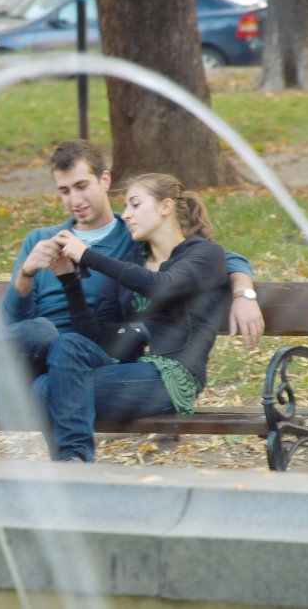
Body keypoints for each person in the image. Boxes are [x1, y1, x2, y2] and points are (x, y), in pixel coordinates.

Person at [0, 139, 264, 456]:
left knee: (53, 339)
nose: (74, 199)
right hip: (28, 359)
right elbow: (12, 324)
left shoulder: (131, 244)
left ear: (104, 181)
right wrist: (28, 275)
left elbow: (210, 257)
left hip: (75, 364)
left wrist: (244, 290)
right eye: (64, 191)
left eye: (81, 186)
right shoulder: (41, 240)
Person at [33, 173, 229, 462]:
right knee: (64, 349)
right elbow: (96, 336)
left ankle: (70, 470)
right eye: (125, 206)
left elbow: (163, 285)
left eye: (135, 205)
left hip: (171, 376)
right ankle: (73, 464)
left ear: (166, 207)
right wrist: (69, 281)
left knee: (48, 391)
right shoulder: (129, 264)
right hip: (126, 367)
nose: (125, 215)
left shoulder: (205, 255)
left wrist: (87, 255)